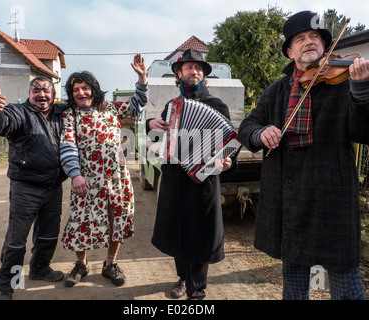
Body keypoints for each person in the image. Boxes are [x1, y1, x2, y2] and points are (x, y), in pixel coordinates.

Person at [238, 11, 369, 300]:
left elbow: (363, 132)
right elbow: (247, 127)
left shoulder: (344, 82)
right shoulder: (277, 91)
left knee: (346, 283)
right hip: (290, 199)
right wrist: (260, 133)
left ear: (325, 46)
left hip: (332, 198)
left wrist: (361, 91)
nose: (309, 42)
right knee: (294, 285)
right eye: (301, 39)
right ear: (290, 51)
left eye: (315, 38)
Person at [146, 49, 237, 300]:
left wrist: (228, 162)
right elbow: (157, 142)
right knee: (177, 231)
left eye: (198, 68)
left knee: (199, 234)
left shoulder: (217, 105)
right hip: (175, 178)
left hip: (204, 180)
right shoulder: (171, 106)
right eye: (188, 67)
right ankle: (182, 277)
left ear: (204, 74)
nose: (193, 71)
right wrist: (149, 124)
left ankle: (196, 290)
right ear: (179, 73)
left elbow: (230, 142)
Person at [60, 54, 148, 287]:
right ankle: (81, 265)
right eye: (76, 90)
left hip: (116, 179)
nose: (81, 93)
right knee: (81, 220)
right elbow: (67, 145)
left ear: (94, 89)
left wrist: (141, 79)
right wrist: (75, 175)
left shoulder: (110, 109)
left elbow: (136, 107)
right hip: (86, 180)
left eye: (86, 88)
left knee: (115, 219)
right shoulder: (71, 115)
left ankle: (110, 264)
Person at [0, 77, 68, 300]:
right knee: (16, 241)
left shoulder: (60, 113)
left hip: (53, 187)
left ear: (53, 94)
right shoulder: (19, 112)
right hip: (26, 188)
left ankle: (40, 269)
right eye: (36, 90)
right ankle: (8, 285)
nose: (42, 94)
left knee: (48, 235)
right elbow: (0, 124)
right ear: (30, 93)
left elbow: (84, 106)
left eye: (46, 91)